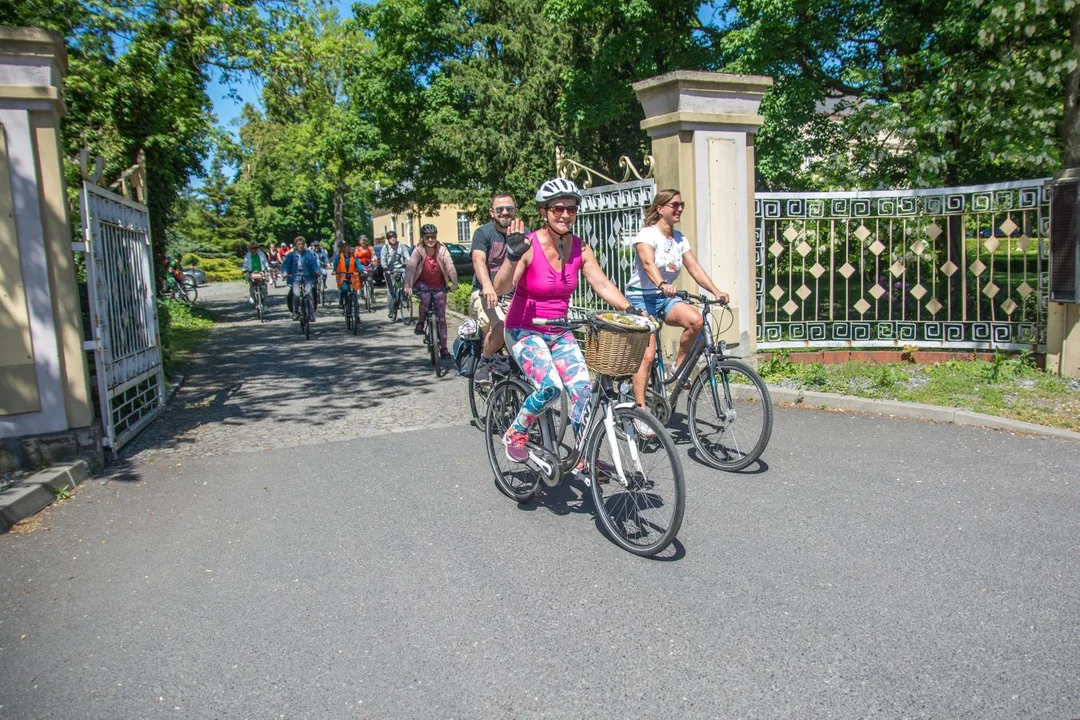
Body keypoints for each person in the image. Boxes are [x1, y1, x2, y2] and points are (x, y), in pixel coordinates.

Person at [491, 178, 641, 463]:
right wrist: (512, 256)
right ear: (543, 212)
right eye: (558, 208)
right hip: (523, 329)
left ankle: (581, 455)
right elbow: (500, 288)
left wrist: (629, 308)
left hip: (559, 330)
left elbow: (602, 284)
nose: (564, 214)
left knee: (584, 388)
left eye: (571, 209)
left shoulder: (580, 249)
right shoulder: (529, 245)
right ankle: (516, 431)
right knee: (550, 387)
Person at [625, 189, 730, 427]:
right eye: (674, 205)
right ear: (660, 208)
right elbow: (648, 262)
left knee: (696, 321)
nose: (679, 208)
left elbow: (695, 268)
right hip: (642, 298)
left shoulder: (680, 239)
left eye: (681, 204)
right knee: (648, 355)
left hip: (665, 297)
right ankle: (640, 412)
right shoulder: (647, 235)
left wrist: (716, 291)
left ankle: (678, 365)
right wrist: (661, 283)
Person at [470, 192, 527, 385]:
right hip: (485, 295)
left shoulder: (524, 234)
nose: (504, 213)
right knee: (502, 326)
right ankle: (484, 362)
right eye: (500, 209)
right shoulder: (483, 233)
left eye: (509, 209)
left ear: (515, 211)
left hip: (514, 296)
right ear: (492, 212)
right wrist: (487, 286)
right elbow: (478, 260)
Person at [404, 224, 458, 359]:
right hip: (422, 284)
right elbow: (411, 268)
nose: (430, 240)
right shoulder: (418, 251)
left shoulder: (442, 250)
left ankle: (444, 348)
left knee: (442, 318)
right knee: (426, 298)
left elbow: (450, 265)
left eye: (433, 237)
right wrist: (407, 285)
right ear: (422, 238)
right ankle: (421, 322)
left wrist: (454, 283)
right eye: (427, 237)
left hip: (439, 284)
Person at [281, 235, 321, 322]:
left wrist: (317, 271)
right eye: (298, 244)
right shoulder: (291, 255)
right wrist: (285, 272)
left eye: (302, 244)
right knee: (296, 294)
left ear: (304, 245)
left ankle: (311, 314)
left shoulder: (308, 254)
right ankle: (295, 312)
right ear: (296, 245)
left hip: (307, 276)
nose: (300, 246)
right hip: (295, 277)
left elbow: (313, 264)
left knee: (309, 293)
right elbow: (286, 265)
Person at [379, 230, 411, 318]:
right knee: (391, 290)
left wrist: (410, 262)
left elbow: (407, 256)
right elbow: (383, 260)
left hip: (400, 268)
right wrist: (385, 268)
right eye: (390, 237)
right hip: (389, 270)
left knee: (406, 281)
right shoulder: (385, 248)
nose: (393, 239)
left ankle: (404, 299)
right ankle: (391, 310)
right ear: (388, 239)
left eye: (394, 237)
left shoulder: (401, 246)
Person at [332, 241, 363, 308]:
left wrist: (362, 270)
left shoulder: (353, 256)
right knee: (345, 289)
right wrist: (334, 271)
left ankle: (356, 313)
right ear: (340, 248)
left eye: (346, 246)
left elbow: (358, 264)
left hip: (352, 276)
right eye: (343, 246)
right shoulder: (339, 257)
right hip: (342, 276)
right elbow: (335, 265)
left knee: (354, 292)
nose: (345, 248)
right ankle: (342, 301)